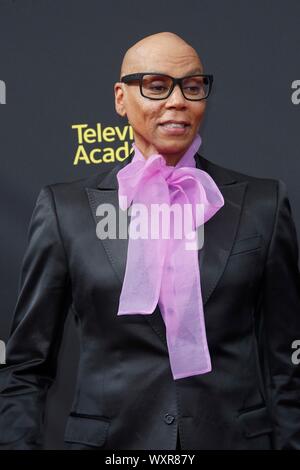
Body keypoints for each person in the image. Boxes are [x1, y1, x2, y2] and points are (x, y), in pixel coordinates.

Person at [0, 31, 300, 450]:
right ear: (121, 99)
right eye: (156, 86)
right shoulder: (64, 208)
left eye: (192, 87)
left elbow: (288, 365)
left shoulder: (264, 203)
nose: (177, 101)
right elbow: (26, 367)